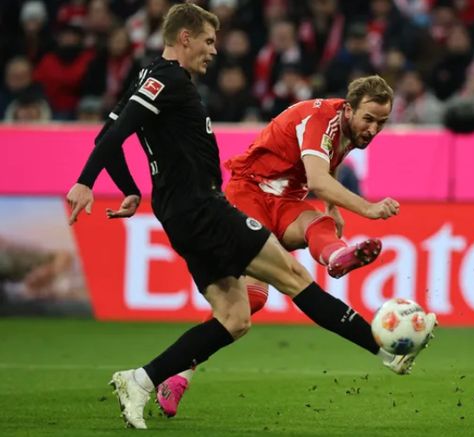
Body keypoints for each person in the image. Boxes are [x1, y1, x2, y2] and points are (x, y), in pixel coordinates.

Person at [65, 3, 436, 430]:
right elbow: (113, 135)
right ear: (185, 37)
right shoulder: (168, 80)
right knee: (294, 279)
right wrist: (85, 181)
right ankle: (383, 349)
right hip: (206, 207)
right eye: (208, 41)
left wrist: (130, 188)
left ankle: (140, 380)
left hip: (180, 214)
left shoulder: (150, 77)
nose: (213, 50)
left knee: (236, 317)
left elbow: (107, 134)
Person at [156, 73, 402, 417]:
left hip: (286, 198)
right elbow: (318, 179)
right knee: (251, 300)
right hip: (249, 193)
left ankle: (336, 255)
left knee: (319, 223)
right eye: (369, 119)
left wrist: (332, 207)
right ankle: (177, 373)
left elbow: (326, 165)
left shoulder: (349, 128)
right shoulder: (320, 119)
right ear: (348, 109)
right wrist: (368, 208)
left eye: (382, 123)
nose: (374, 129)